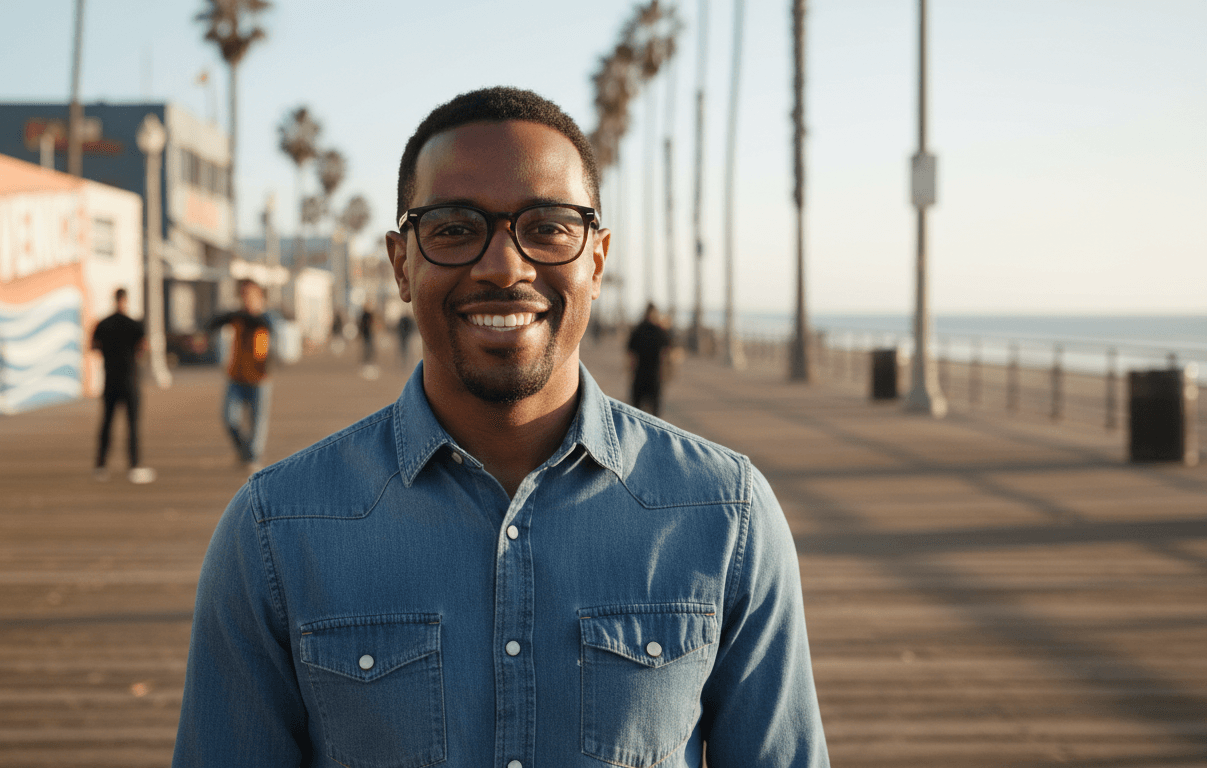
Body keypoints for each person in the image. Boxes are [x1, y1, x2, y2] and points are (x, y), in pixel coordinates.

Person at [175, 87, 828, 767]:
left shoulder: (725, 515)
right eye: (455, 229)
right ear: (402, 264)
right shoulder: (278, 530)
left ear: (596, 261)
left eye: (548, 228)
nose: (504, 266)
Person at [207, 279, 275, 473]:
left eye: (250, 295)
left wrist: (250, 313)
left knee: (258, 422)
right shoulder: (236, 316)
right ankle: (245, 451)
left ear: (260, 296)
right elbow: (214, 322)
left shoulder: (266, 317)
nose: (246, 299)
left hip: (260, 378)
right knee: (229, 418)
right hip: (236, 376)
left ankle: (253, 457)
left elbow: (268, 326)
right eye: (243, 295)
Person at [90, 288, 155, 484]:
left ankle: (100, 466)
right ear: (125, 300)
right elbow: (144, 348)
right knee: (132, 425)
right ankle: (134, 466)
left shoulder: (103, 323)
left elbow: (93, 346)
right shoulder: (134, 324)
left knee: (107, 423)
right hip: (130, 380)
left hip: (110, 380)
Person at [627, 301, 673, 416]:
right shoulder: (660, 331)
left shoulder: (638, 330)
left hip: (639, 376)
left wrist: (630, 372)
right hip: (655, 376)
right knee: (655, 415)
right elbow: (668, 354)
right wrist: (668, 373)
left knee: (636, 414)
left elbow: (631, 356)